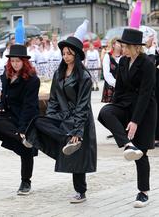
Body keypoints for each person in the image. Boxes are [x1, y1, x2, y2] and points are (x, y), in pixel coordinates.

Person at [25, 36, 97, 204]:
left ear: (76, 55)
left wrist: (77, 132)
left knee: (77, 158)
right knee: (37, 122)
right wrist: (50, 120)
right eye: (64, 53)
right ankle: (61, 140)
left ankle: (80, 191)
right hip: (62, 116)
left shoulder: (84, 77)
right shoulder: (59, 73)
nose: (65, 56)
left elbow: (83, 106)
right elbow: (54, 99)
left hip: (80, 119)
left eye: (69, 53)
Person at [98, 28, 156, 208]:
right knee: (105, 112)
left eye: (124, 46)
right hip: (125, 105)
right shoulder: (123, 61)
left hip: (144, 111)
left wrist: (135, 122)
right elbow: (120, 89)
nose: (121, 49)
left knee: (142, 154)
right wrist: (115, 107)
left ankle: (143, 192)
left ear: (135, 47)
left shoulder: (147, 64)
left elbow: (146, 94)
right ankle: (127, 144)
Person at [0, 44, 40, 196]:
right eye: (13, 61)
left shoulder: (32, 80)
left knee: (26, 151)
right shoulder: (7, 75)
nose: (15, 64)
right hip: (10, 114)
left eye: (18, 61)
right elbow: (4, 94)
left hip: (27, 116)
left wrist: (23, 129)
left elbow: (29, 106)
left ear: (24, 62)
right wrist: (1, 106)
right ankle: (19, 139)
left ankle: (25, 181)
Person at [101, 37, 122, 103]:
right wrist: (115, 83)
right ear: (113, 45)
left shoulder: (124, 56)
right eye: (118, 43)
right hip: (111, 86)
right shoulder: (107, 56)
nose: (120, 44)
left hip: (123, 86)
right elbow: (106, 74)